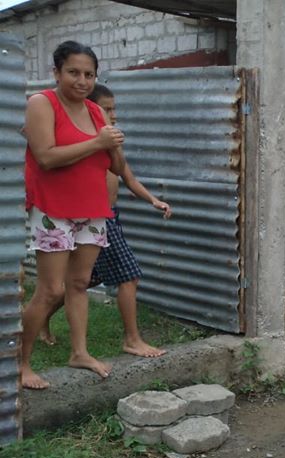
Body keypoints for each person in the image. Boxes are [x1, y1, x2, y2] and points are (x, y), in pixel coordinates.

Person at [20, 41, 126, 389]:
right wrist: (98, 143)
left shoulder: (95, 111)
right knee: (51, 290)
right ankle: (20, 363)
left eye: (89, 74)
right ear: (56, 72)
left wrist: (114, 146)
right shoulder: (42, 103)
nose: (82, 81)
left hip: (92, 208)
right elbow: (46, 157)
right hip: (53, 208)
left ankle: (79, 353)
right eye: (73, 72)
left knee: (79, 284)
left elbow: (114, 165)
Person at [38, 83, 173, 358]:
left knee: (81, 282)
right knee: (129, 276)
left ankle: (41, 319)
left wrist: (153, 200)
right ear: (89, 110)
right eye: (106, 109)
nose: (113, 115)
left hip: (109, 218)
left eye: (114, 109)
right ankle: (132, 339)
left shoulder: (110, 147)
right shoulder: (84, 145)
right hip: (96, 219)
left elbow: (128, 177)